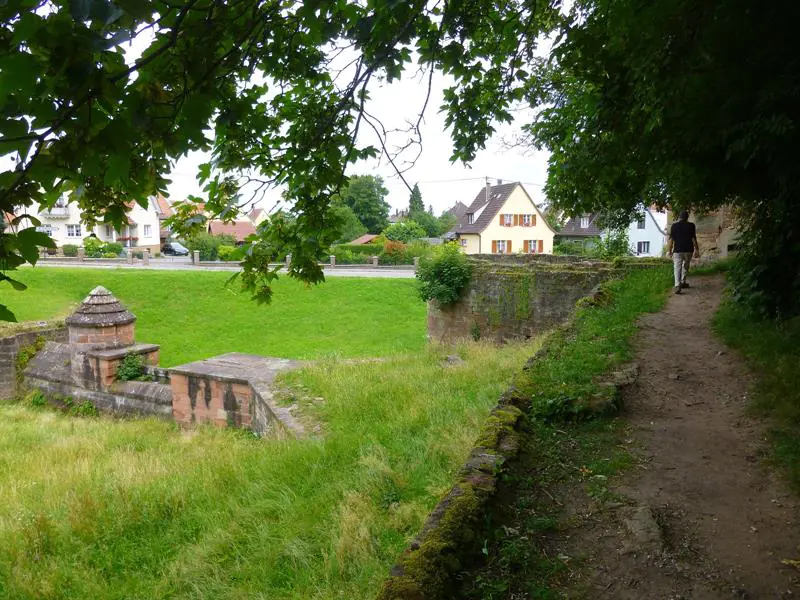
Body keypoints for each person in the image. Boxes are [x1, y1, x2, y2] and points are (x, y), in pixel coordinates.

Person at [667, 210, 700, 294]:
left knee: (677, 267)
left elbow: (671, 240)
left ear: (679, 217)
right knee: (686, 266)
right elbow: (693, 239)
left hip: (678, 250)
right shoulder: (691, 225)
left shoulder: (674, 226)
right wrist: (697, 250)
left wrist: (669, 251)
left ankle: (677, 285)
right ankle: (683, 282)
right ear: (687, 217)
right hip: (689, 250)